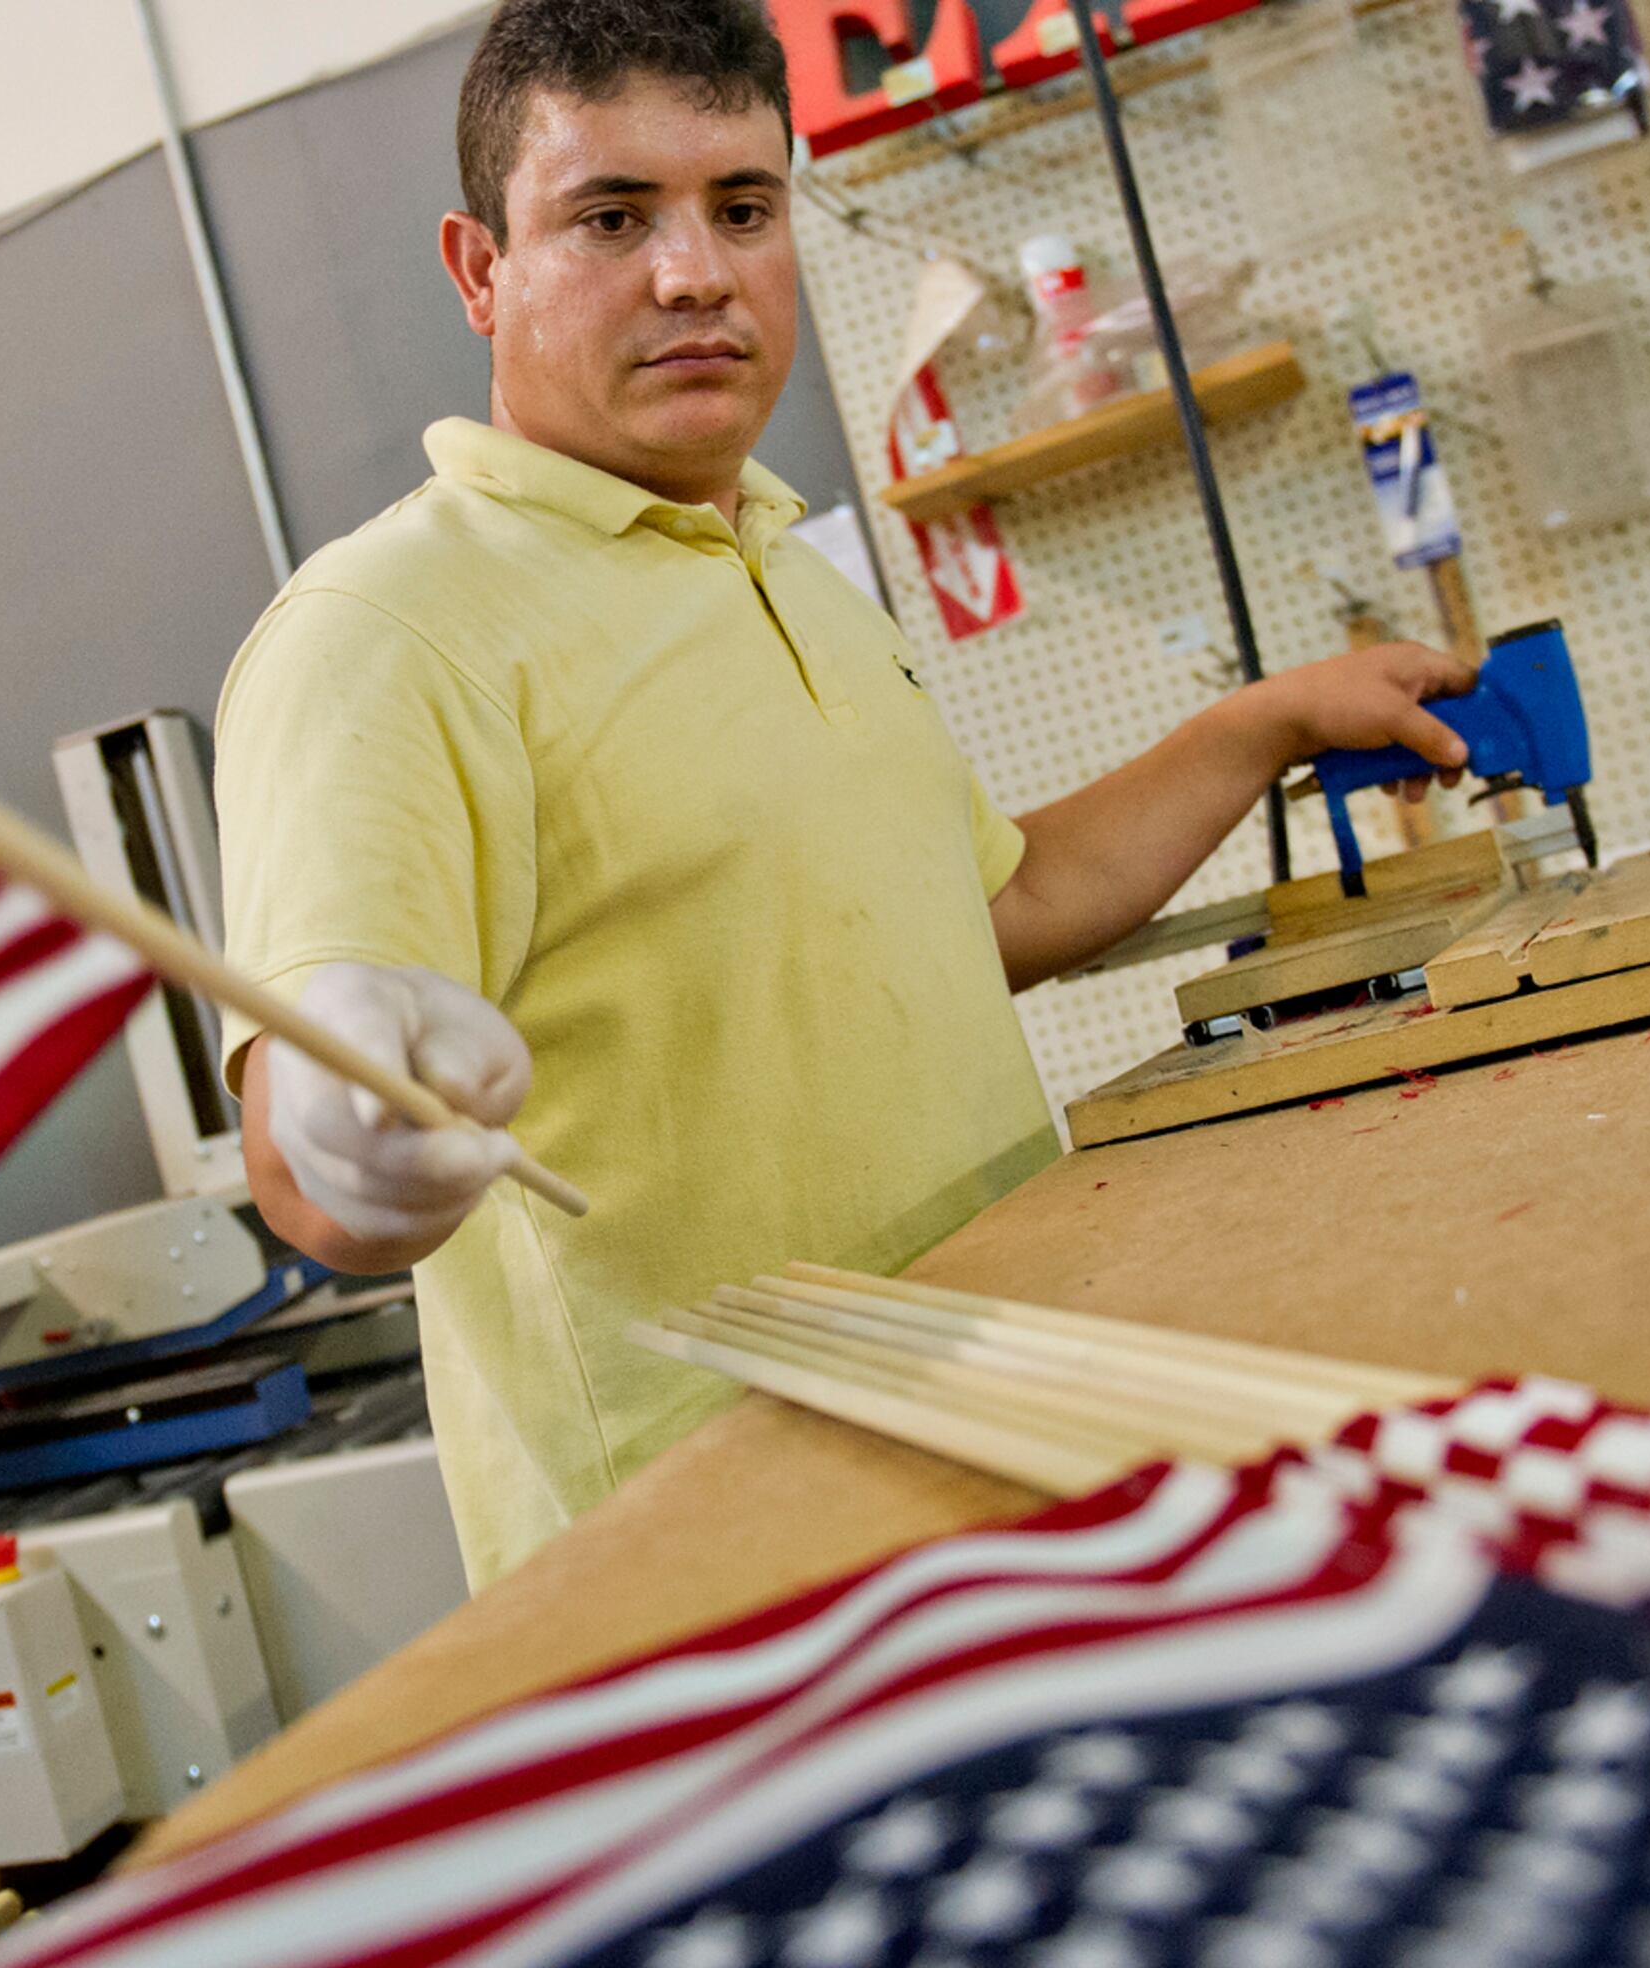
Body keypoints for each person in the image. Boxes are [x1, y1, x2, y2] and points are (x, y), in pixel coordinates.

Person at [212, 0, 1469, 1585]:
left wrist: (1269, 721)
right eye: (611, 217)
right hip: (728, 1586)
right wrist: (343, 1148)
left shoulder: (791, 574)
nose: (696, 272)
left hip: (1010, 1463)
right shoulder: (384, 634)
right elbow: (306, 1147)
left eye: (743, 206)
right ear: (480, 270)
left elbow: (999, 905)